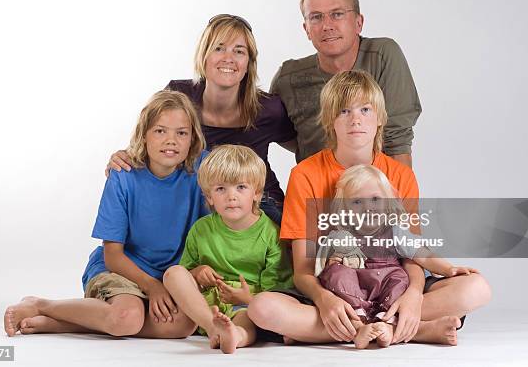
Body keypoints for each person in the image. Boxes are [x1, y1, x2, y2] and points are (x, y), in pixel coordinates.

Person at [247, 70, 491, 346]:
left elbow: (410, 253)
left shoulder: (400, 175)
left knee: (476, 288)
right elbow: (303, 270)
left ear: (380, 119)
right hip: (335, 287)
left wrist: (412, 296)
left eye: (365, 109)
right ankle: (411, 329)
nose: (356, 119)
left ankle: (349, 329)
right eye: (344, 111)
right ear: (330, 121)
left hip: (390, 283)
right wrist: (325, 300)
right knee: (262, 308)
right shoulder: (306, 174)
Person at [3, 91, 207, 338]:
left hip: (169, 277)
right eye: (160, 131)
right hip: (120, 270)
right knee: (127, 318)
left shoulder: (202, 171)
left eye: (181, 133)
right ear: (144, 135)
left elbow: (235, 173)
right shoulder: (123, 175)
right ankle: (43, 305)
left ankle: (68, 323)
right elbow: (113, 256)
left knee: (184, 324)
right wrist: (152, 287)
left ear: (193, 138)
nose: (171, 140)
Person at [107, 14, 297, 225]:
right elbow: (152, 141)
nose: (228, 58)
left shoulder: (269, 109)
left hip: (258, 203)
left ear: (248, 63)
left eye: (239, 51)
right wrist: (126, 156)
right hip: (198, 200)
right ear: (203, 55)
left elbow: (302, 148)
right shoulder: (179, 95)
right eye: (219, 48)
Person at [316, 164, 480, 349]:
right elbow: (324, 261)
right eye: (357, 202)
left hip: (386, 284)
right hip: (356, 289)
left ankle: (386, 323)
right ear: (344, 207)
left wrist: (447, 268)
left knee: (399, 278)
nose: (367, 207)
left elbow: (421, 254)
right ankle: (359, 325)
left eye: (375, 199)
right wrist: (334, 262)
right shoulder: (341, 234)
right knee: (337, 274)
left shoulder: (394, 232)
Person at [270, 0, 421, 167]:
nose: (327, 26)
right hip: (315, 189)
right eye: (316, 17)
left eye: (337, 14)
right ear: (306, 29)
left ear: (359, 22)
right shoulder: (288, 78)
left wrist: (397, 195)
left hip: (373, 187)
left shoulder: (382, 56)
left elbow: (397, 140)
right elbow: (273, 129)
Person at [162, 145, 293, 354]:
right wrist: (198, 272)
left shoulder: (270, 234)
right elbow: (186, 273)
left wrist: (245, 298)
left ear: (257, 193)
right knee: (173, 274)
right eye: (221, 189)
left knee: (246, 320)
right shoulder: (201, 229)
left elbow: (276, 292)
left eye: (241, 187)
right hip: (203, 308)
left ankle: (234, 336)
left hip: (246, 306)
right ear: (209, 197)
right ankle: (212, 327)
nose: (231, 196)